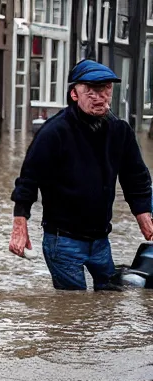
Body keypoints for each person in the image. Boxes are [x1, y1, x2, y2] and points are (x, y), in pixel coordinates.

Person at [9, 59, 153, 290]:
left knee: (109, 300)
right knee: (72, 306)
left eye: (105, 90)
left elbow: (135, 176)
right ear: (74, 94)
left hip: (100, 240)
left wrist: (143, 214)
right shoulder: (53, 132)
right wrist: (20, 224)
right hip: (62, 240)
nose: (100, 97)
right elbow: (28, 180)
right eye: (92, 91)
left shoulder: (119, 131)